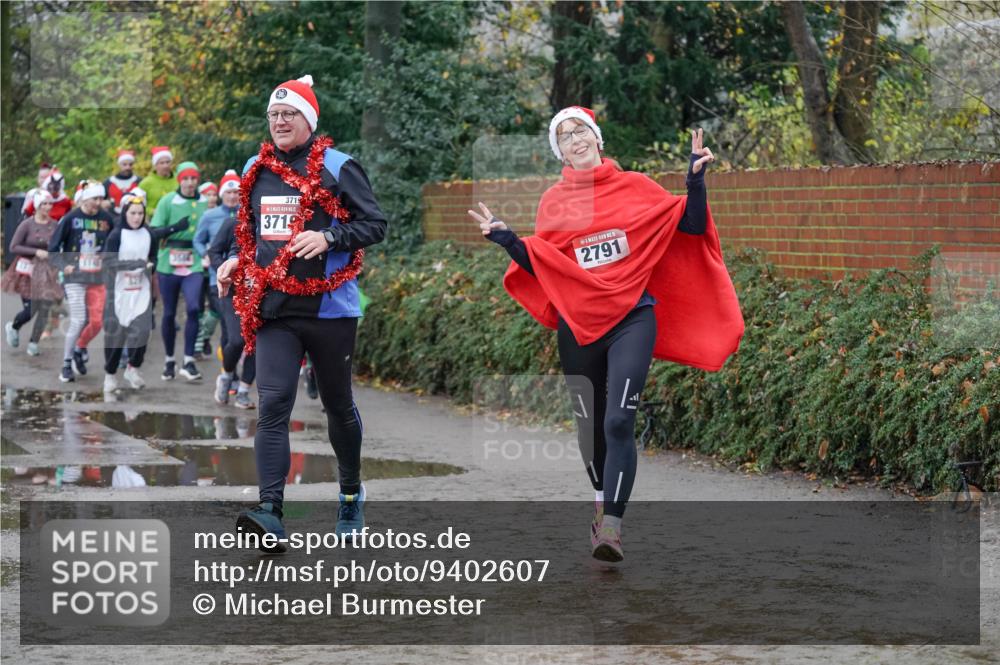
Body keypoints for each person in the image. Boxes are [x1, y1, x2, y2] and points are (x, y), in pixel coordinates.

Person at [469, 107, 744, 562]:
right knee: (591, 427)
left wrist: (695, 182)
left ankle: (611, 528)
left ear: (597, 138)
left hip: (634, 317)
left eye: (581, 131)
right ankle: (601, 501)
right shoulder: (556, 201)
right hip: (579, 325)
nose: (575, 139)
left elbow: (691, 225)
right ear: (560, 151)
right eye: (564, 136)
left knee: (618, 421)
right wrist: (509, 241)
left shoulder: (636, 186)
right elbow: (545, 263)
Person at [216, 74, 387, 551]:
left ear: (309, 119)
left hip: (330, 310)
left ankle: (350, 494)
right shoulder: (255, 168)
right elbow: (250, 232)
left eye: (289, 113)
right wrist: (236, 259)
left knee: (337, 405)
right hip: (275, 308)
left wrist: (330, 236)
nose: (279, 121)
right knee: (272, 404)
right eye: (273, 115)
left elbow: (375, 224)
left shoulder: (338, 166)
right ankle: (270, 512)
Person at [101, 195, 189, 392]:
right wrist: (133, 265)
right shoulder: (116, 235)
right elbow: (107, 262)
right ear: (125, 213)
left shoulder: (148, 234)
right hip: (119, 292)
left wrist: (150, 266)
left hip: (141, 291)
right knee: (116, 337)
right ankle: (110, 374)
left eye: (140, 213)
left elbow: (153, 258)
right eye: (133, 213)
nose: (137, 217)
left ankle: (133, 368)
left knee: (143, 332)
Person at [48, 180, 116, 382]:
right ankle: (66, 364)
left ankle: (79, 348)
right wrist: (64, 266)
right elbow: (53, 249)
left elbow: (116, 240)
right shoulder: (71, 218)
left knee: (97, 322)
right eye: (95, 198)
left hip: (97, 278)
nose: (98, 203)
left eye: (101, 198)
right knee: (78, 320)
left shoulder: (107, 219)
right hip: (75, 278)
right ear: (85, 199)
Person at [149, 160, 209, 381]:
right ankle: (169, 360)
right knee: (169, 312)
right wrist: (175, 228)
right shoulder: (168, 201)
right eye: (186, 179)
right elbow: (154, 232)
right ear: (179, 180)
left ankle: (189, 360)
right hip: (168, 261)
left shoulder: (205, 202)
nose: (190, 183)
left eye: (194, 178)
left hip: (194, 260)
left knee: (194, 308)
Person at [207, 192, 256, 410]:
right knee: (236, 340)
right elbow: (214, 251)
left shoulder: (273, 229)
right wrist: (225, 269)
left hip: (260, 291)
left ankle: (243, 391)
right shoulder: (233, 223)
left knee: (256, 343)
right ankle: (226, 375)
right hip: (233, 290)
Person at [3, 190, 63, 356]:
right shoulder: (26, 225)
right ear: (36, 206)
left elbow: (58, 246)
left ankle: (33, 343)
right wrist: (36, 251)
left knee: (45, 308)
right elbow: (13, 247)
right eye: (44, 204)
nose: (48, 207)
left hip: (46, 272)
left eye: (50, 204)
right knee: (31, 309)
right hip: (28, 271)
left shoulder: (54, 224)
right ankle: (14, 326)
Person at [193, 170, 239, 360]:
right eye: (228, 192)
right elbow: (198, 240)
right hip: (216, 279)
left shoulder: (248, 215)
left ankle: (236, 367)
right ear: (221, 194)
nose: (232, 196)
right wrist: (205, 255)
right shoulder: (210, 215)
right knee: (227, 326)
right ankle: (227, 370)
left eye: (236, 192)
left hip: (243, 281)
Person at [138, 146, 176, 212]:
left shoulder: (179, 180)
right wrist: (153, 211)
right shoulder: (145, 183)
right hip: (153, 218)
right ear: (155, 165)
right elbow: (138, 205)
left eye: (168, 162)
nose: (165, 166)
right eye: (162, 163)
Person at [103, 149, 140, 214]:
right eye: (124, 164)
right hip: (113, 216)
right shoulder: (109, 182)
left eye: (130, 164)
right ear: (119, 165)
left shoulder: (138, 181)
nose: (128, 167)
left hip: (134, 216)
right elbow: (100, 201)